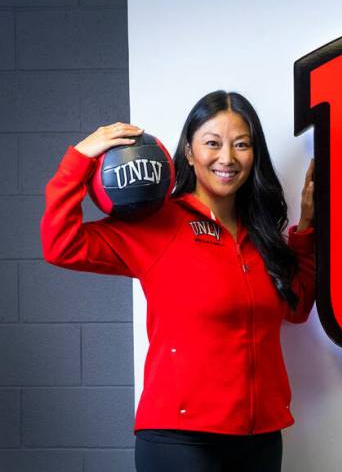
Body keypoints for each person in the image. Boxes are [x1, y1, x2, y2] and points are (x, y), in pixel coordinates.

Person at [40, 91, 315, 472]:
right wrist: (81, 159)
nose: (227, 159)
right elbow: (61, 245)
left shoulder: (261, 232)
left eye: (241, 145)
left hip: (260, 437)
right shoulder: (157, 223)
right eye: (212, 144)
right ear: (188, 151)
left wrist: (307, 231)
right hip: (179, 440)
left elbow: (298, 308)